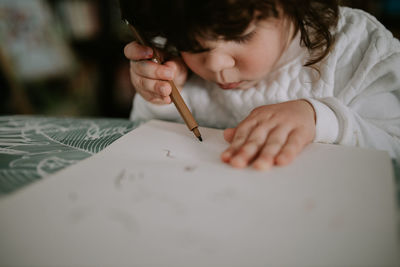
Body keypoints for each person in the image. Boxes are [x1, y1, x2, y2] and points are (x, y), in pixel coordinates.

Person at [120, 0, 400, 170]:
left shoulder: (352, 46)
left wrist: (322, 119)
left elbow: (393, 148)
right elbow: (145, 140)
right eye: (193, 45)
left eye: (241, 36)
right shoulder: (180, 62)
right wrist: (159, 95)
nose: (216, 65)